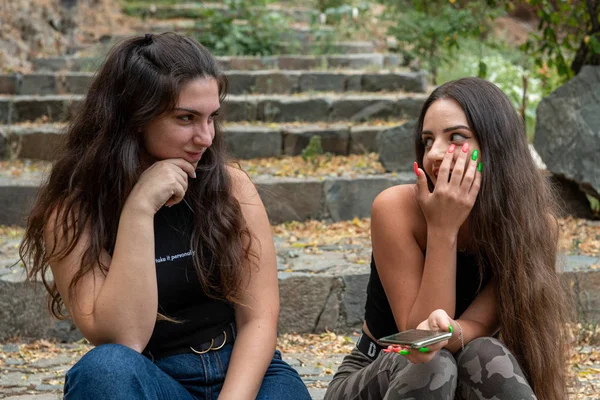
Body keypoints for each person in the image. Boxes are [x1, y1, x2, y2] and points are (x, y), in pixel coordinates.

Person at [19, 32, 311, 400]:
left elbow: (259, 320)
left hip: (248, 374)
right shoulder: (75, 212)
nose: (205, 137)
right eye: (186, 118)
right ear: (135, 118)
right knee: (103, 370)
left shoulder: (231, 187)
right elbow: (125, 339)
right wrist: (139, 207)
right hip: (153, 378)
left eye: (211, 118)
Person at [324, 77, 572, 400]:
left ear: (495, 147)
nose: (435, 154)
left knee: (485, 353)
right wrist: (443, 228)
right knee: (436, 364)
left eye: (455, 137)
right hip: (379, 371)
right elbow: (419, 343)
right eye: (428, 141)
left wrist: (450, 331)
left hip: (466, 371)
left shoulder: (529, 227)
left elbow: (477, 327)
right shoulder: (395, 209)